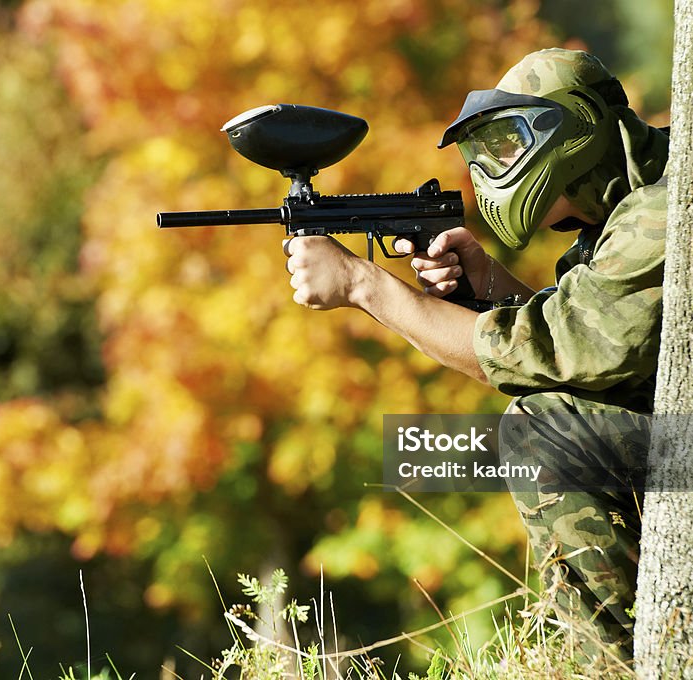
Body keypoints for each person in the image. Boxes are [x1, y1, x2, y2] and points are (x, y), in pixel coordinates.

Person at [282, 48, 669, 659]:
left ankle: (614, 667)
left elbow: (563, 350)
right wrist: (484, 284)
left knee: (546, 432)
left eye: (512, 144)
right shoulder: (624, 207)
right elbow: (589, 333)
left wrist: (365, 285)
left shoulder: (660, 215)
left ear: (577, 129)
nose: (497, 170)